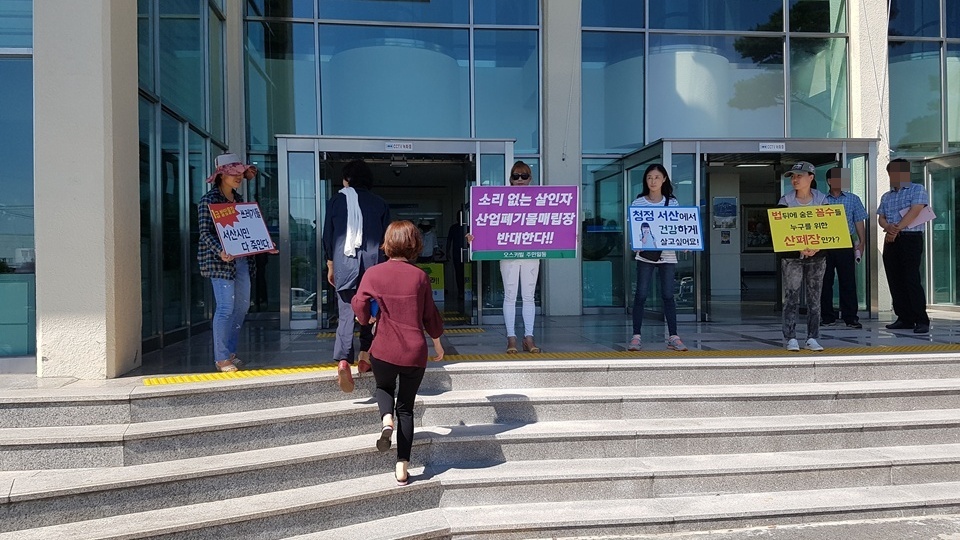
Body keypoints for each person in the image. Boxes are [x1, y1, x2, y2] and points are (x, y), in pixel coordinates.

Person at [352, 220, 444, 486]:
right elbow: (430, 316)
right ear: (414, 243)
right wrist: (437, 343)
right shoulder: (420, 276)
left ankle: (385, 420)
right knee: (407, 407)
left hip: (384, 349)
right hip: (415, 352)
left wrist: (365, 319)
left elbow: (358, 303)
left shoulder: (373, 273)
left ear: (387, 243)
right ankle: (402, 466)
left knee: (383, 387)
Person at [198, 153, 274, 372]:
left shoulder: (240, 201)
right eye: (234, 173)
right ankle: (221, 358)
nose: (239, 177)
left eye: (241, 173)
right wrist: (220, 251)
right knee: (225, 307)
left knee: (241, 307)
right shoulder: (209, 200)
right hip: (220, 263)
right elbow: (205, 232)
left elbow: (248, 232)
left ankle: (230, 352)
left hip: (241, 261)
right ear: (222, 175)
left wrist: (265, 245)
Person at [321, 159, 391, 392]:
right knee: (371, 312)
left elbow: (328, 235)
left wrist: (330, 264)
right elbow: (386, 241)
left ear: (347, 180)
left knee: (346, 314)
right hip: (373, 267)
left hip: (344, 265)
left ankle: (343, 360)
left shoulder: (336, 201)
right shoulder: (379, 203)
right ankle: (365, 357)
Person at [468, 161, 542, 353]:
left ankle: (529, 337)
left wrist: (566, 235)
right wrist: (474, 237)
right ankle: (511, 338)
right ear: (510, 179)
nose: (520, 180)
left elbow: (552, 223)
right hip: (508, 254)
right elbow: (486, 224)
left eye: (524, 176)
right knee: (510, 296)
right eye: (516, 176)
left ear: (530, 179)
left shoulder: (540, 200)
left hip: (531, 253)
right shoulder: (499, 199)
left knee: (528, 297)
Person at [627, 163, 688, 353]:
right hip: (645, 255)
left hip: (668, 255)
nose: (653, 181)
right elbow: (634, 228)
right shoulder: (638, 202)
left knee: (669, 295)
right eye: (649, 177)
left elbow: (678, 226)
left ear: (664, 180)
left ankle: (674, 336)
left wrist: (684, 242)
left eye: (656, 177)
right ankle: (636, 336)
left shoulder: (672, 202)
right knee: (641, 295)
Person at [778, 161, 828, 352]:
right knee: (791, 297)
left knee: (815, 298)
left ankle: (812, 337)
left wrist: (816, 247)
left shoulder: (822, 200)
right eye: (792, 176)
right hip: (792, 256)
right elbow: (781, 230)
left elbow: (829, 226)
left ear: (811, 178)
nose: (795, 179)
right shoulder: (785, 201)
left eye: (799, 175)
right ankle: (790, 337)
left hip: (818, 255)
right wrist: (799, 247)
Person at [878, 158, 930, 334]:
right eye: (890, 173)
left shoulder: (917, 189)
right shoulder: (887, 195)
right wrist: (888, 228)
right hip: (891, 240)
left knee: (911, 278)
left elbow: (915, 211)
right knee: (895, 278)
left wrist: (896, 229)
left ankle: (921, 319)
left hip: (910, 238)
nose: (892, 176)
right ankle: (904, 317)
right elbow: (881, 217)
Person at [820, 167, 868, 328]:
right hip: (825, 242)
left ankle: (850, 317)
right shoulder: (821, 199)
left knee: (848, 280)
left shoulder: (853, 199)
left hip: (846, 241)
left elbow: (859, 221)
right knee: (825, 281)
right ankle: (827, 316)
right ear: (829, 181)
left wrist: (862, 242)